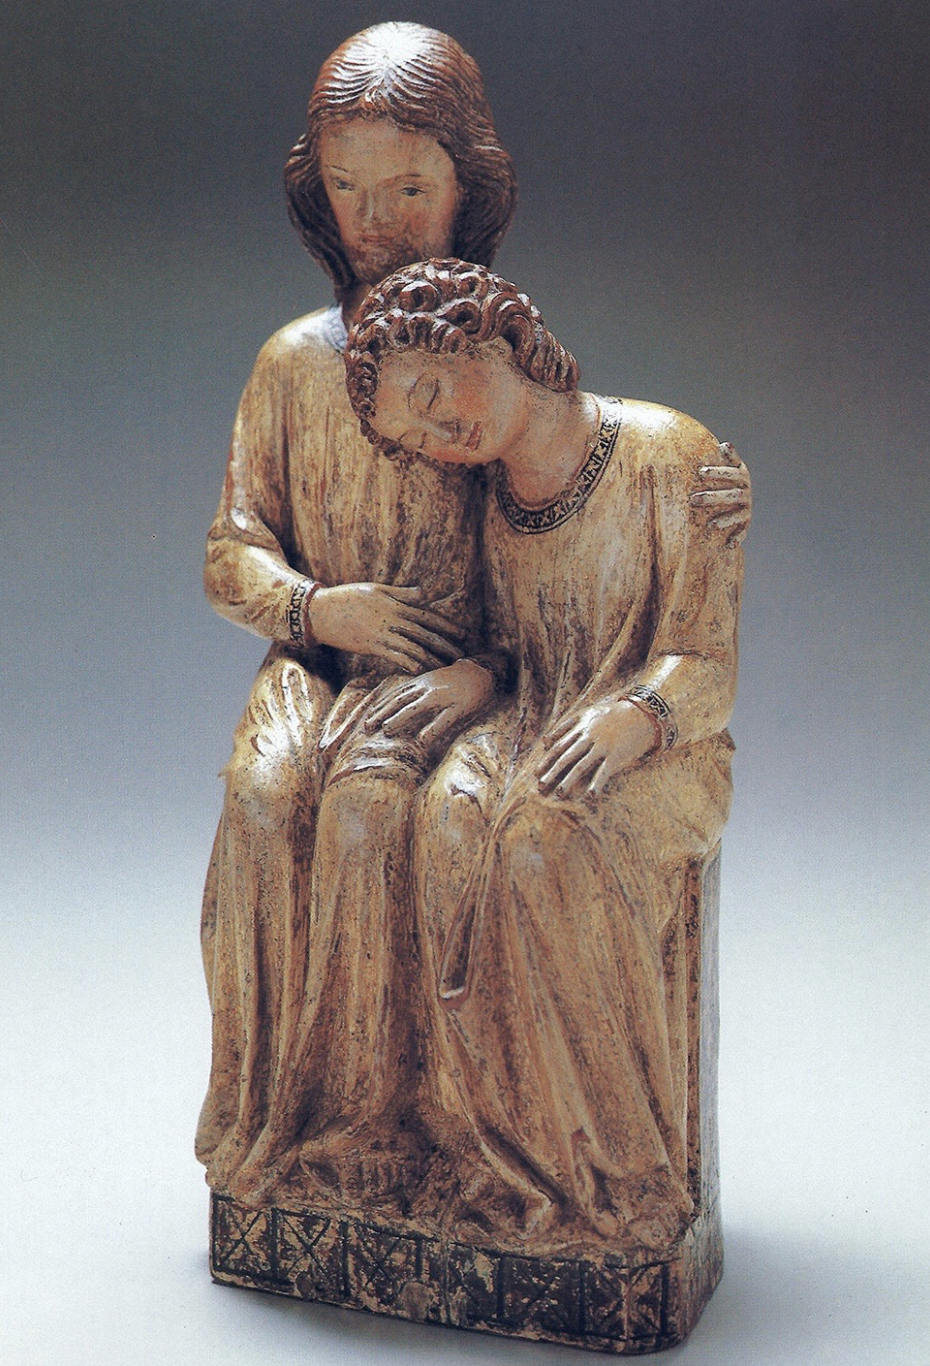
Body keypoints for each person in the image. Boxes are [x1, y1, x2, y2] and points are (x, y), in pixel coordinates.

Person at [196, 22, 750, 1214]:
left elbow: (564, 538)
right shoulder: (293, 366)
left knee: (376, 818)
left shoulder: (479, 359)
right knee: (263, 799)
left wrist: (709, 494)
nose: (374, 220)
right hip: (321, 663)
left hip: (472, 680)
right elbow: (230, 551)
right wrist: (318, 607)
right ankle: (287, 1127)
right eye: (345, 188)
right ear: (312, 192)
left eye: (408, 188)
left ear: (471, 188)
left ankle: (401, 1128)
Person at [344, 260, 744, 1256]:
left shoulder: (672, 454)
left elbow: (707, 665)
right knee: (444, 817)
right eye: (416, 439)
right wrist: (471, 679)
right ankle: (495, 1152)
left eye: (433, 396)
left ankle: (609, 1176)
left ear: (491, 337)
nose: (440, 436)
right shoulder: (491, 494)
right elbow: (516, 650)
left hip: (657, 750)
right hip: (532, 720)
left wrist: (636, 716)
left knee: (541, 847)